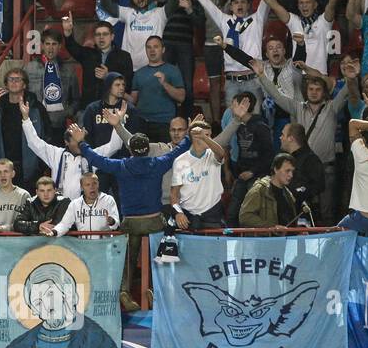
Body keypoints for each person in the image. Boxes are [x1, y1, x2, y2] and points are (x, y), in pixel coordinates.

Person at [73, 122, 190, 310]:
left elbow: (96, 160)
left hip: (130, 222)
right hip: (154, 220)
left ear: (131, 150)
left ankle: (124, 291)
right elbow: (177, 151)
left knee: (128, 257)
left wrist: (82, 143)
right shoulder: (157, 163)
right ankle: (154, 288)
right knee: (162, 247)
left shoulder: (121, 166)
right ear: (147, 150)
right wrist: (189, 135)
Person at [251, 56, 354, 216]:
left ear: (324, 92)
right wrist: (261, 76)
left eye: (318, 89)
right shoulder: (297, 107)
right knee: (301, 212)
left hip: (327, 169)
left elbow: (346, 91)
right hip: (302, 170)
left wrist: (351, 78)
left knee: (327, 213)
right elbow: (277, 96)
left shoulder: (332, 108)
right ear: (306, 91)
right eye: (311, 89)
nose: (313, 93)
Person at [190, 0, 280, 104]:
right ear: (230, 7)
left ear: (248, 5)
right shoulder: (224, 20)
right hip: (231, 81)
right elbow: (206, 3)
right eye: (236, 2)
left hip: (254, 79)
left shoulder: (256, 19)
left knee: (255, 120)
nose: (240, 5)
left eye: (243, 2)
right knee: (233, 120)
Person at [19, 101, 123, 202]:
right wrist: (26, 118)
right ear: (66, 142)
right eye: (75, 138)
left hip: (85, 210)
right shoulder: (56, 154)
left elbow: (115, 145)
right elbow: (34, 142)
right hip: (60, 209)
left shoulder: (92, 156)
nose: (79, 141)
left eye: (81, 138)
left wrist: (118, 124)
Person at [0, 75, 47, 190]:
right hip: (3, 166)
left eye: (18, 79)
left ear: (24, 85)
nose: (14, 82)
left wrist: (40, 166)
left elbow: (46, 136)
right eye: (11, 79)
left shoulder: (36, 107)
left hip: (29, 169)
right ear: (6, 84)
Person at [168, 117, 232, 230]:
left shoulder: (212, 154)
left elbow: (221, 153)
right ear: (195, 137)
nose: (210, 139)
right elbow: (174, 194)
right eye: (207, 135)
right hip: (188, 216)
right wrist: (178, 213)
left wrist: (204, 137)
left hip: (213, 214)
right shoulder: (180, 161)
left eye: (210, 135)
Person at [224, 91, 275, 226]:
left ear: (244, 105)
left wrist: (253, 172)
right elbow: (241, 153)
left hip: (257, 178)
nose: (231, 108)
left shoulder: (261, 127)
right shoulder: (240, 126)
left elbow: (269, 156)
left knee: (252, 213)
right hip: (242, 176)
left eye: (234, 104)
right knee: (232, 214)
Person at [62, 15, 135, 109]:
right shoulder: (88, 54)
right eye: (98, 34)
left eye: (105, 34)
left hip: (114, 110)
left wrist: (108, 77)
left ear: (112, 37)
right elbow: (72, 47)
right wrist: (68, 32)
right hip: (89, 108)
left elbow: (127, 84)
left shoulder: (124, 56)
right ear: (94, 38)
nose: (101, 37)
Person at [23, 29, 81, 143]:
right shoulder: (29, 68)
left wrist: (67, 112)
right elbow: (23, 94)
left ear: (60, 47)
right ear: (42, 46)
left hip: (57, 125)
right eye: (47, 44)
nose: (51, 48)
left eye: (54, 44)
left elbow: (76, 100)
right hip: (35, 124)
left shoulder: (68, 71)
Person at [342, 90, 368, 235]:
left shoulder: (359, 153)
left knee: (333, 235)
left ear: (362, 139)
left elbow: (353, 123)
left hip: (364, 220)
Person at [130, 36, 186, 140]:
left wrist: (165, 84)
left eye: (156, 47)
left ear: (163, 50)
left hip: (164, 123)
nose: (152, 50)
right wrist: (120, 93)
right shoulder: (138, 73)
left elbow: (181, 97)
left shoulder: (172, 70)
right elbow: (133, 100)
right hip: (142, 123)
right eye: (149, 47)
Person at [236, 154, 304, 228]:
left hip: (286, 238)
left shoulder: (288, 193)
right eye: (287, 171)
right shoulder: (260, 190)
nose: (291, 175)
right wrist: (271, 227)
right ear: (275, 169)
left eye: (292, 171)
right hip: (267, 238)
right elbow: (245, 217)